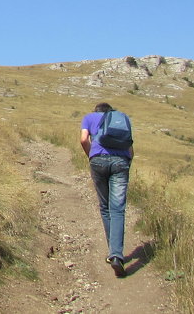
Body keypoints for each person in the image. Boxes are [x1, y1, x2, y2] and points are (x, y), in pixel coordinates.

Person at [80, 102, 133, 277]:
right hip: (121, 162)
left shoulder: (89, 118)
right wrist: (126, 163)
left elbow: (83, 139)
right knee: (118, 209)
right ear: (110, 112)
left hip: (98, 161)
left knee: (105, 206)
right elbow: (130, 147)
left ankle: (113, 251)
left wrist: (91, 156)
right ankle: (116, 254)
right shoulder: (122, 119)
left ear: (96, 111)